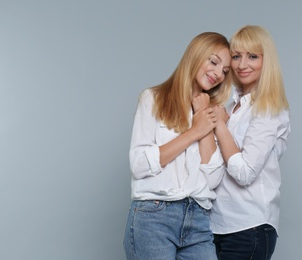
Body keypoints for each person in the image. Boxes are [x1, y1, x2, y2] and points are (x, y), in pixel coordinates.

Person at [123, 32, 232, 260]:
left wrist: (203, 114)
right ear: (195, 55)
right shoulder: (153, 99)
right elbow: (140, 164)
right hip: (154, 217)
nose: (218, 74)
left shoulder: (214, 114)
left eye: (224, 71)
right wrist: (195, 131)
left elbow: (212, 179)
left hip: (198, 218)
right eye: (213, 61)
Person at [210, 25, 291, 260]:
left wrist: (220, 126)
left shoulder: (269, 109)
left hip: (249, 227)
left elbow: (245, 172)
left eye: (253, 56)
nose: (242, 65)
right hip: (217, 224)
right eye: (236, 56)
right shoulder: (231, 105)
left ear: (267, 61)